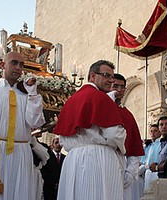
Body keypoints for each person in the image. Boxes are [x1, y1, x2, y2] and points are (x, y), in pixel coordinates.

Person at [53, 60, 127, 200]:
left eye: (112, 77)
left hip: (73, 159)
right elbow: (114, 134)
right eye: (106, 75)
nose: (111, 80)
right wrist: (119, 147)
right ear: (93, 76)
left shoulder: (71, 100)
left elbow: (63, 138)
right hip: (98, 159)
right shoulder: (100, 97)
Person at [0, 51, 45, 199]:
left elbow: (36, 122)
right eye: (14, 63)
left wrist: (33, 94)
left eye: (21, 65)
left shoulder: (27, 96)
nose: (18, 68)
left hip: (21, 155)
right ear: (3, 65)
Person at [109, 73, 144, 200]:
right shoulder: (102, 108)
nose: (119, 90)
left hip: (120, 165)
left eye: (122, 87)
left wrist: (130, 172)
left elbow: (134, 148)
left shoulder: (127, 115)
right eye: (115, 86)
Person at [139, 124, 161, 192]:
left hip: (155, 172)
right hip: (145, 172)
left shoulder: (161, 144)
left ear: (159, 132)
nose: (153, 133)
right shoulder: (148, 145)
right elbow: (143, 159)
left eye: (155, 131)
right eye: (151, 131)